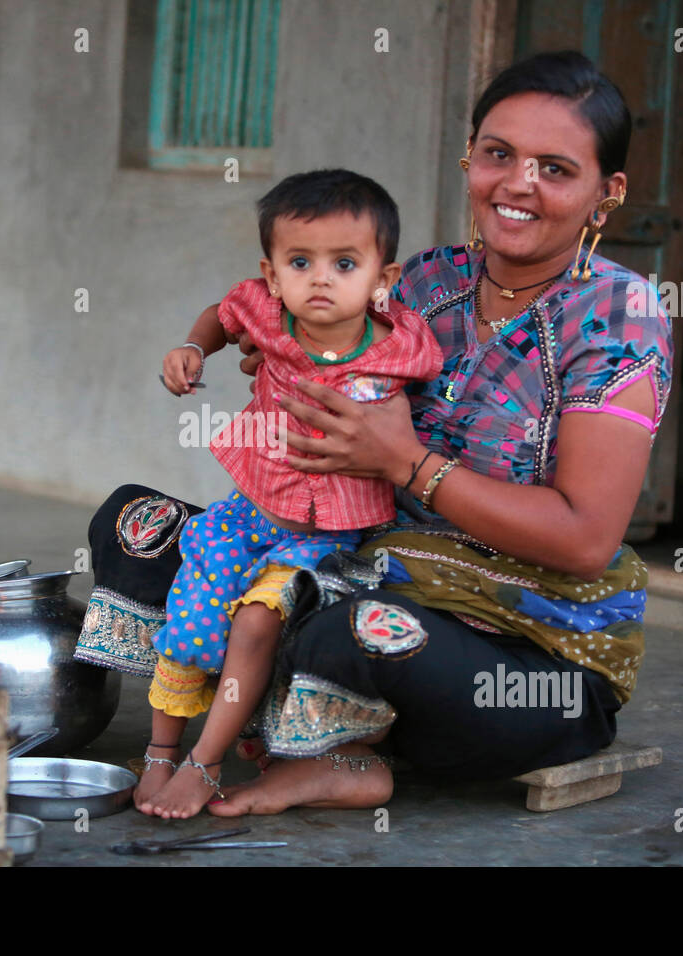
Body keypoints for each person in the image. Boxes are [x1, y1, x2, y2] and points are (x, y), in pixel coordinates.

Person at [76, 50, 673, 817]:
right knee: (140, 526)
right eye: (498, 155)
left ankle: (341, 750)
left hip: (516, 649)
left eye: (555, 169)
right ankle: (281, 724)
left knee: (357, 632)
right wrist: (278, 363)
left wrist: (407, 463)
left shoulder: (619, 315)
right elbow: (301, 340)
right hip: (343, 560)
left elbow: (587, 538)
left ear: (607, 192)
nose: (519, 184)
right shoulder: (425, 282)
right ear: (470, 162)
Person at [119, 170, 441, 818]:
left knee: (257, 622)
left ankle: (205, 765)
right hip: (248, 514)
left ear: (383, 279)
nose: (320, 278)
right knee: (187, 630)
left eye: (345, 263)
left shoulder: (403, 345)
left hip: (325, 540)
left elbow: (427, 400)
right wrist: (192, 347)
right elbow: (220, 314)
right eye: (301, 261)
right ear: (272, 274)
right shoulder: (266, 316)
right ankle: (161, 750)